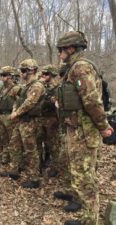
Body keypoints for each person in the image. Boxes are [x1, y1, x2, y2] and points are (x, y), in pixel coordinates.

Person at [54, 31, 113, 225]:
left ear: (71, 48)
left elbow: (92, 101)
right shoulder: (72, 68)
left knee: (86, 178)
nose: (59, 53)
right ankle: (87, 217)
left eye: (61, 49)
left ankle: (91, 221)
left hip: (85, 131)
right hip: (77, 129)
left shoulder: (80, 68)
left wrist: (104, 127)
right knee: (80, 174)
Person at [10, 59, 46, 189]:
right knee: (14, 145)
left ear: (30, 71)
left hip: (31, 121)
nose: (21, 73)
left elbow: (30, 103)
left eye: (23, 71)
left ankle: (34, 178)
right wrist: (15, 110)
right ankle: (15, 170)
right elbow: (18, 100)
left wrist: (16, 113)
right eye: (21, 70)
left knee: (31, 150)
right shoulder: (25, 86)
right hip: (21, 121)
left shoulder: (37, 86)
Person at [0, 66, 20, 164]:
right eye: (1, 75)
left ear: (10, 76)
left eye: (4, 75)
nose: (2, 77)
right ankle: (5, 157)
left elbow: (19, 103)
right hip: (0, 116)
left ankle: (15, 161)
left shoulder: (16, 88)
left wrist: (15, 113)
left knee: (12, 139)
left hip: (10, 117)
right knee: (3, 138)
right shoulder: (2, 88)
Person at [38, 64, 60, 176]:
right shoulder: (41, 85)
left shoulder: (57, 87)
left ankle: (55, 167)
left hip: (52, 119)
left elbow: (56, 104)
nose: (43, 75)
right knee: (39, 141)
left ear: (52, 75)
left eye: (46, 74)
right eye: (43, 73)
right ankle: (40, 164)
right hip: (41, 118)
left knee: (53, 144)